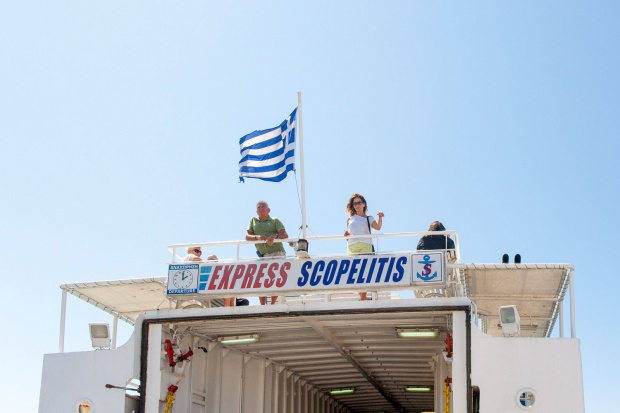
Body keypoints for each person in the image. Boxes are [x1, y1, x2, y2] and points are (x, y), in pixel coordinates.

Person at [246, 201, 288, 305]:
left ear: (269, 210)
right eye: (259, 207)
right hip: (263, 254)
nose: (261, 208)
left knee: (276, 278)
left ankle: (272, 303)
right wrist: (257, 237)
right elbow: (247, 236)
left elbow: (284, 235)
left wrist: (275, 236)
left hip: (278, 253)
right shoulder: (253, 220)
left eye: (263, 207)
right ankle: (262, 305)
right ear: (256, 211)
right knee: (260, 279)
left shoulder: (275, 220)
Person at [343, 193, 384, 301]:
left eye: (359, 203)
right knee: (353, 272)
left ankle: (362, 298)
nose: (357, 205)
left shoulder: (369, 218)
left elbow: (378, 227)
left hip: (365, 244)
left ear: (364, 204)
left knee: (363, 271)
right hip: (352, 245)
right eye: (355, 203)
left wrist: (380, 217)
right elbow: (349, 234)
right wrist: (346, 235)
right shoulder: (350, 219)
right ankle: (364, 297)